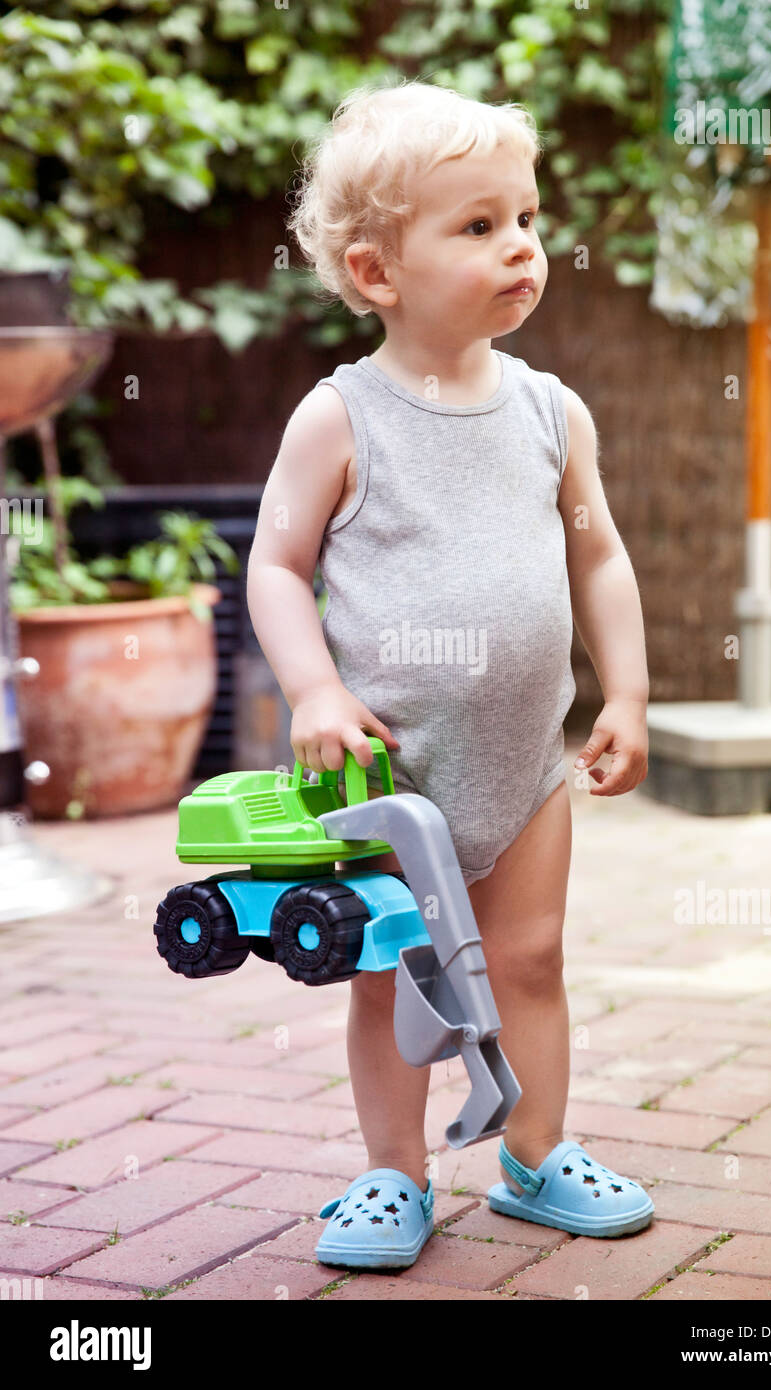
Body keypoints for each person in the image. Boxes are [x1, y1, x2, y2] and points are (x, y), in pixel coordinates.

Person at [247, 79, 654, 1270]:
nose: (520, 245)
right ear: (377, 273)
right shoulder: (339, 419)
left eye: (523, 217)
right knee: (389, 980)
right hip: (385, 766)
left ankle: (532, 1155)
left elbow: (600, 554)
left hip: (524, 762)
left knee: (529, 958)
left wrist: (623, 690)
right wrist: (315, 692)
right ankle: (392, 1174)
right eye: (477, 227)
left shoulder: (549, 412)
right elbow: (274, 564)